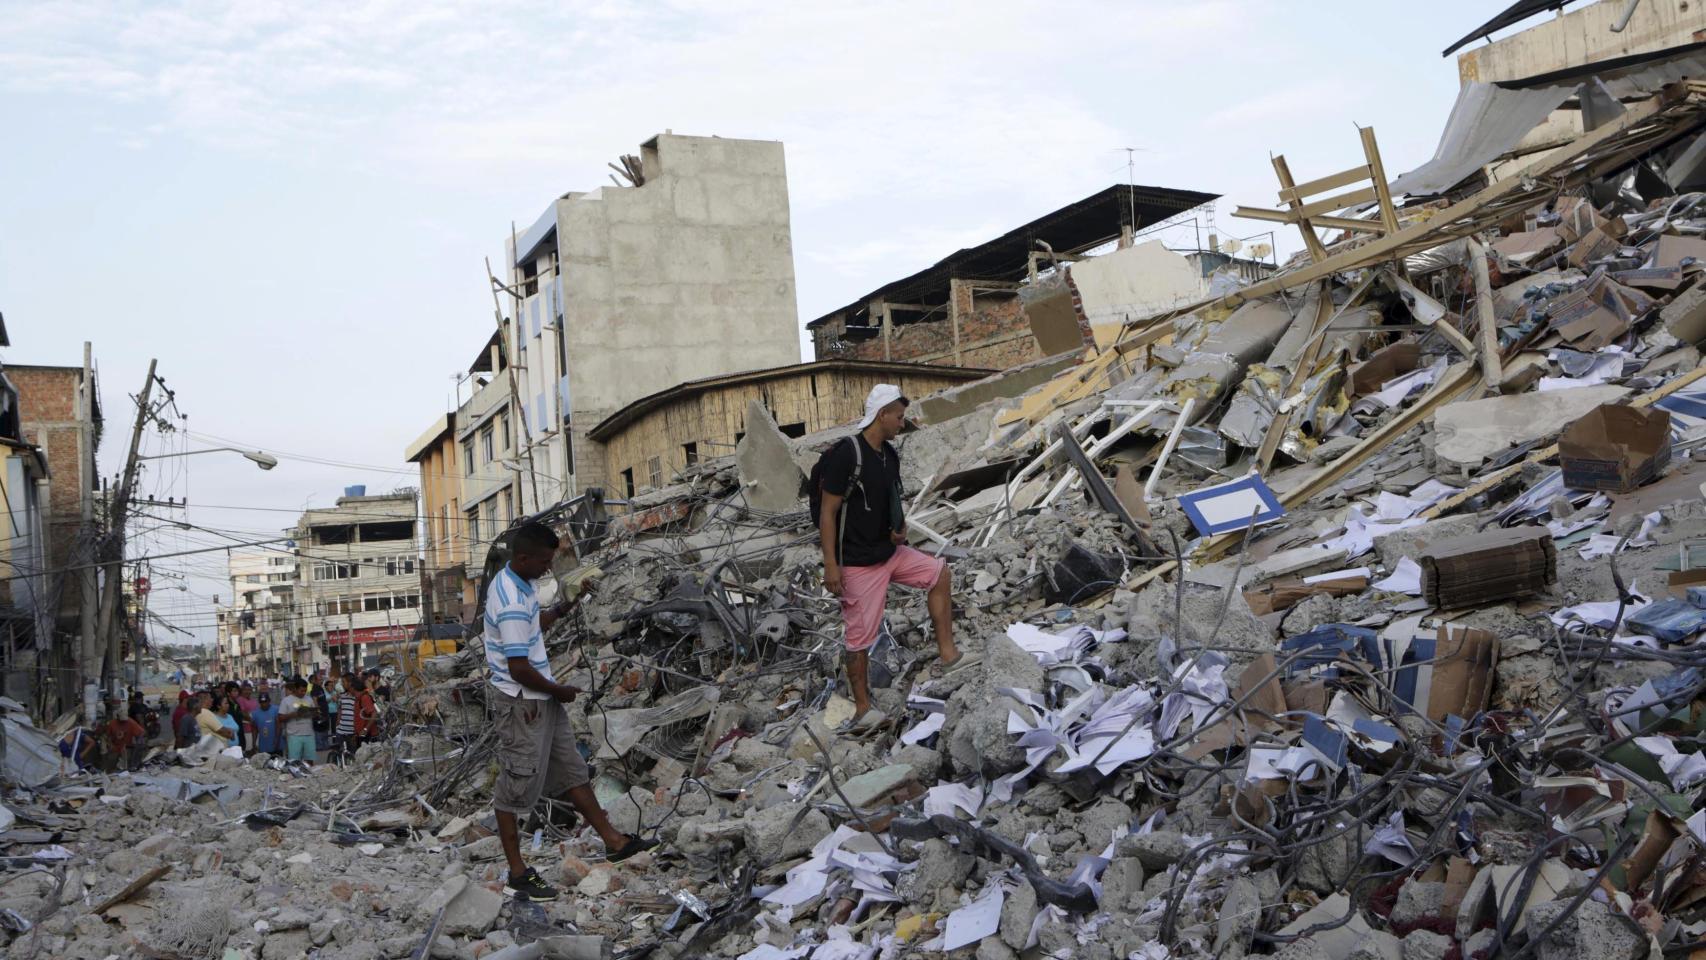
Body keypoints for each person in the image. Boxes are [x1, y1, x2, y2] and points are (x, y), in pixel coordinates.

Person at [487, 521, 654, 902]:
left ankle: (614, 841)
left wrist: (567, 604)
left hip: (539, 698)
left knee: (571, 770)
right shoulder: (509, 598)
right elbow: (518, 667)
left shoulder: (522, 582)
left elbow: (534, 626)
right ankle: (517, 873)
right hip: (522, 701)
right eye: (544, 562)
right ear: (523, 557)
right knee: (516, 785)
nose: (548, 569)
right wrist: (559, 690)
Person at [819, 384, 968, 732]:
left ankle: (949, 656)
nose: (903, 423)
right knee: (859, 639)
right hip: (857, 563)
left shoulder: (888, 454)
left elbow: (889, 498)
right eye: (899, 417)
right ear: (882, 414)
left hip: (889, 552)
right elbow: (828, 512)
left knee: (938, 573)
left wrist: (896, 530)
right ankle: (862, 709)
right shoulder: (847, 454)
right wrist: (831, 564)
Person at [280, 677, 318, 764]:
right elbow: (280, 717)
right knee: (294, 761)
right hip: (294, 736)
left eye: (305, 691)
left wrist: (315, 713)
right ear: (295, 689)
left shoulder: (309, 699)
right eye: (301, 691)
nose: (303, 693)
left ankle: (309, 776)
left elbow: (314, 713)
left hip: (309, 734)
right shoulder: (286, 700)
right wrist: (292, 715)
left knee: (309, 760)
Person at [103, 704, 147, 772]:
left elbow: (141, 732)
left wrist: (139, 741)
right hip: (115, 747)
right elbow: (106, 736)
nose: (123, 722)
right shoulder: (112, 724)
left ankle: (133, 765)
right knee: (110, 766)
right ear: (117, 716)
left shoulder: (130, 722)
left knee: (127, 765)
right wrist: (110, 745)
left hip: (126, 748)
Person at [251, 692, 280, 756]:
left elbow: (278, 726)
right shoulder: (255, 713)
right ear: (259, 702)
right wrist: (253, 742)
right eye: (262, 702)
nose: (264, 704)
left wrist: (277, 740)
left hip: (276, 744)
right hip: (263, 746)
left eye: (265, 702)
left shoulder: (276, 709)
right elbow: (254, 729)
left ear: (269, 701)